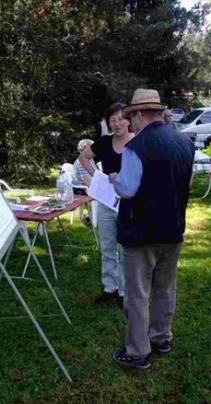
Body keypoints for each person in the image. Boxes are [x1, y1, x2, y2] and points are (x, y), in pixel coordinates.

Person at [108, 88, 194, 370]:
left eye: (131, 116)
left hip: (141, 231)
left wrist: (114, 179)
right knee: (165, 288)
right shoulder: (184, 142)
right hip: (173, 228)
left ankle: (137, 352)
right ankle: (161, 338)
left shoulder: (136, 147)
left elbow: (127, 189)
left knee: (138, 292)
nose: (130, 122)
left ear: (141, 114)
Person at [79, 102, 134, 307]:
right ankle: (109, 289)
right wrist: (97, 177)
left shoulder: (137, 143)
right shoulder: (104, 142)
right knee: (107, 247)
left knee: (124, 248)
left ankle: (123, 291)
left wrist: (124, 177)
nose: (117, 123)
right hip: (105, 202)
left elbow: (146, 172)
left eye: (121, 118)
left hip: (128, 203)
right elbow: (84, 156)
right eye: (112, 120)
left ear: (129, 120)